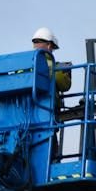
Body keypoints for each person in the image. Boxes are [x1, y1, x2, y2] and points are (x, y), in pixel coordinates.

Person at [31, 27, 71, 161]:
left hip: (25, 114)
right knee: (50, 145)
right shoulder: (53, 66)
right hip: (46, 113)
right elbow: (65, 85)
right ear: (49, 45)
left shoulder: (25, 64)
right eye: (52, 48)